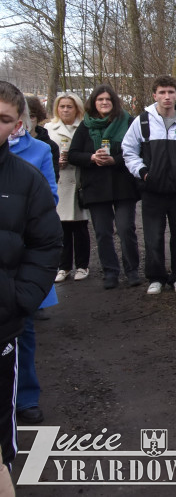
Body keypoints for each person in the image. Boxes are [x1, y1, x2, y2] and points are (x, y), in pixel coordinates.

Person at [0, 81, 62, 494]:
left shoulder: (26, 178)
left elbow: (46, 245)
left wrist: (17, 300)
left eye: (2, 118)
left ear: (17, 125)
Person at [8, 94, 59, 427]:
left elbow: (50, 195)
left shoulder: (38, 151)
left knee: (21, 331)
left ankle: (25, 397)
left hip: (17, 253)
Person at [122, 75, 176, 295]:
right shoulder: (142, 121)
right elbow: (128, 150)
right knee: (153, 236)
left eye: (171, 92)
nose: (167, 96)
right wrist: (143, 173)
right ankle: (156, 277)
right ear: (154, 95)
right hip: (152, 191)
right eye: (162, 92)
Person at [68, 84, 142, 290]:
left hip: (123, 184)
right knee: (102, 232)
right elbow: (73, 154)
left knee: (126, 229)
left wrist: (114, 160)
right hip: (96, 187)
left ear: (114, 102)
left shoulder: (128, 121)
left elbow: (137, 150)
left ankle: (132, 270)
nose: (104, 102)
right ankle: (110, 271)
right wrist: (92, 157)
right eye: (100, 99)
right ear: (94, 103)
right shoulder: (85, 126)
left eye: (108, 99)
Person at [45, 92, 90, 284]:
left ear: (77, 108)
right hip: (60, 182)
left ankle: (82, 265)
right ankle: (63, 267)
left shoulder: (85, 127)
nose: (65, 110)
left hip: (79, 181)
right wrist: (56, 162)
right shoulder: (48, 128)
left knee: (80, 227)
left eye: (69, 106)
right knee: (61, 227)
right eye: (62, 106)